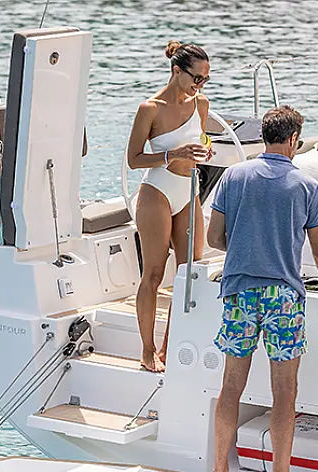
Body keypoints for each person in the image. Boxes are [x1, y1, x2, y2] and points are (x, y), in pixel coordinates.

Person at [206, 106, 318, 472]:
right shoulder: (306, 186)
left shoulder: (233, 176)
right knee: (284, 392)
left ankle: (219, 471)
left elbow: (214, 238)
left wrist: (245, 247)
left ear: (264, 137)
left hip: (239, 291)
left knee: (231, 385)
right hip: (282, 297)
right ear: (292, 140)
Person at [126, 40, 214, 372]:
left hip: (189, 190)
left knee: (190, 272)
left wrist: (206, 150)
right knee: (153, 274)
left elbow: (201, 140)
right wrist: (172, 155)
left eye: (205, 79)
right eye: (196, 78)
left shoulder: (201, 104)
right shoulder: (149, 109)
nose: (200, 85)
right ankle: (147, 350)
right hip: (157, 191)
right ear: (177, 71)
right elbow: (134, 159)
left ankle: (169, 344)